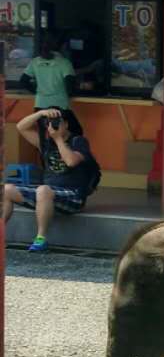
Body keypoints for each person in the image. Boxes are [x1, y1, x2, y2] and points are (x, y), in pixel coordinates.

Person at [3, 107, 101, 252]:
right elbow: (21, 127)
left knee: (43, 190)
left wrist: (58, 139)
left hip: (73, 196)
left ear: (66, 124)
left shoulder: (78, 141)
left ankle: (40, 239)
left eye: (56, 122)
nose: (51, 126)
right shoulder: (46, 143)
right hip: (47, 195)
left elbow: (71, 161)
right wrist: (40, 113)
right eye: (49, 123)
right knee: (6, 190)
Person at [19, 37, 76, 111]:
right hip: (60, 104)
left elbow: (23, 81)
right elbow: (70, 84)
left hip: (40, 104)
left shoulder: (35, 62)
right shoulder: (64, 63)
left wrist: (38, 91)